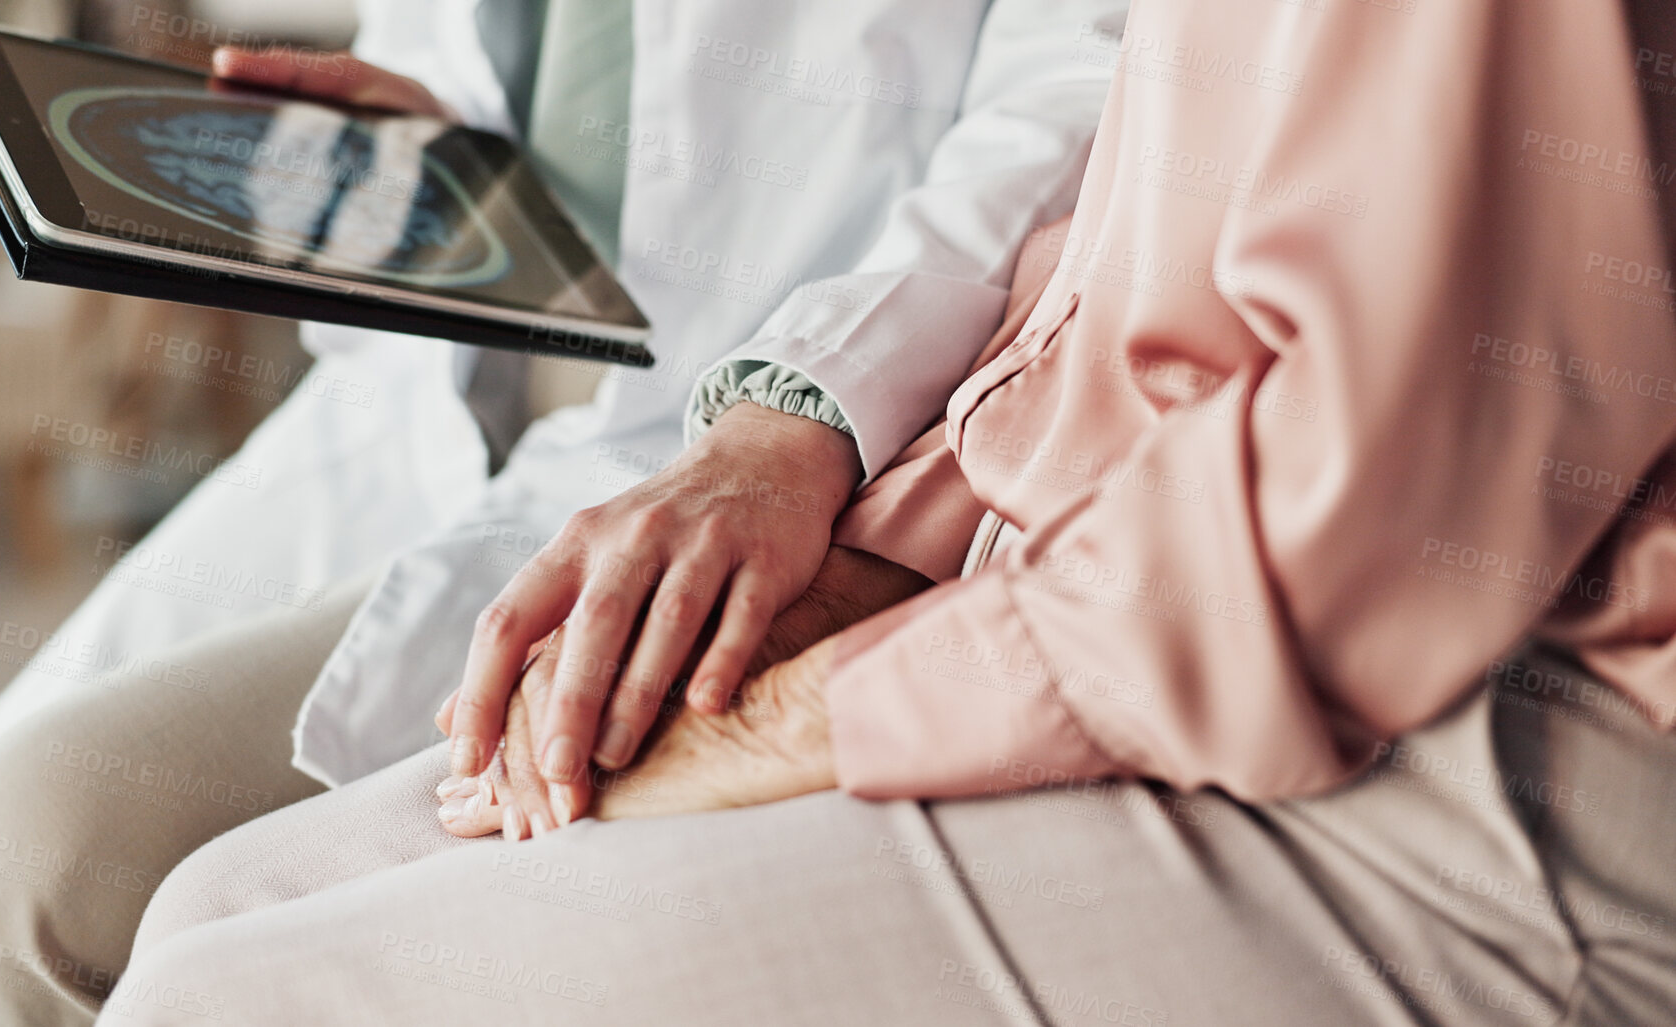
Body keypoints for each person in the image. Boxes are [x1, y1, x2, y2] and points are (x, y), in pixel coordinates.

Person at [88, 0, 1676, 1023]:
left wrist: (831, 705)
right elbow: (1107, 302)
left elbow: (1372, 513)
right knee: (217, 909)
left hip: (1480, 752)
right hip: (1047, 556)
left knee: (239, 1002)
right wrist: (887, 560)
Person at [0, 1, 1126, 1023]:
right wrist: (425, 154)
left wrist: (792, 410)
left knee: (40, 873)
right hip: (415, 428)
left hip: (750, 438)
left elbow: (1088, 85)